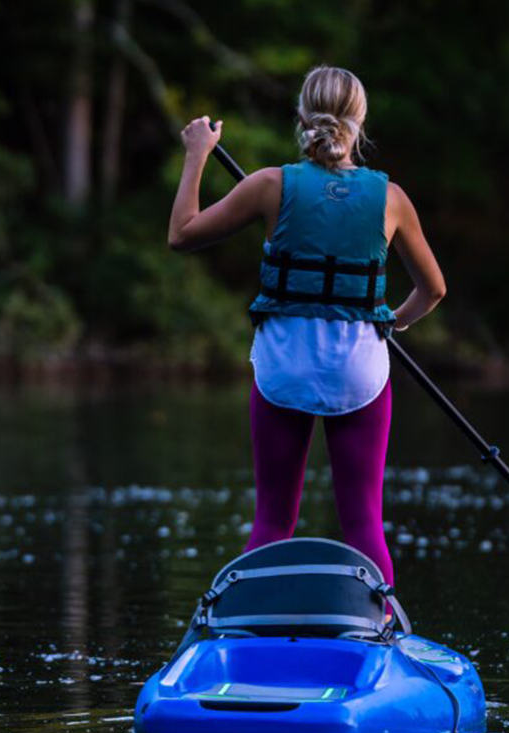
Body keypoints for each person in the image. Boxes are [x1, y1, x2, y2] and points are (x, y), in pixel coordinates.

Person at [167, 66, 446, 587]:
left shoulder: (269, 185)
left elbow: (182, 235)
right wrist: (391, 324)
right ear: (359, 122)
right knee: (362, 520)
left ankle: (252, 623)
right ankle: (379, 622)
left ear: (301, 115)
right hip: (360, 372)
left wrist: (196, 155)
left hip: (284, 370)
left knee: (273, 520)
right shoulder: (391, 198)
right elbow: (433, 290)